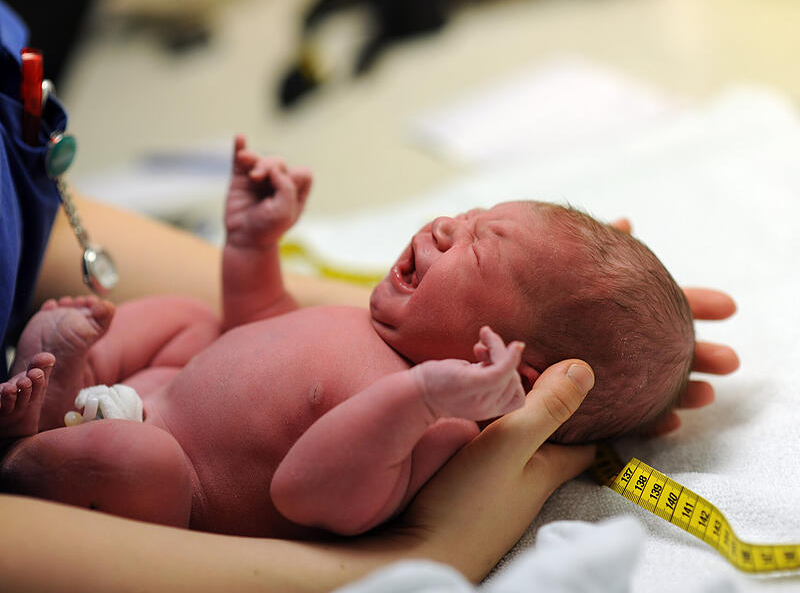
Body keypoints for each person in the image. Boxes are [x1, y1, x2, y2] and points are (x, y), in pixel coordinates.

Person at [1, 136, 723, 540]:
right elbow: (258, 320)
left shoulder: (433, 436)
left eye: (480, 245)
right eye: (469, 213)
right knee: (183, 320)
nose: (446, 226)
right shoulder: (367, 326)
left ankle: (29, 448)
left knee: (137, 456)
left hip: (173, 481)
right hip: (147, 393)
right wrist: (254, 245)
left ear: (513, 375)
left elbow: (304, 491)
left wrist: (418, 397)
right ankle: (58, 387)